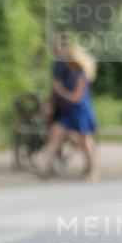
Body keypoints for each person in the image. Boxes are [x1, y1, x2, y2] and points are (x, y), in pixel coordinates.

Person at [39, 44, 98, 180]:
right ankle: (44, 169)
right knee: (55, 137)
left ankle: (93, 170)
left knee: (85, 142)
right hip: (68, 112)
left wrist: (60, 90)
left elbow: (76, 98)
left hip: (81, 112)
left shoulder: (81, 74)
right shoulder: (68, 73)